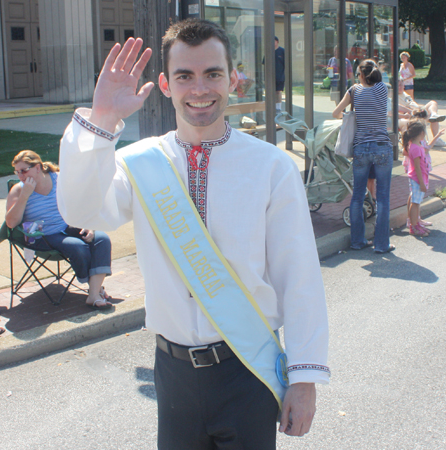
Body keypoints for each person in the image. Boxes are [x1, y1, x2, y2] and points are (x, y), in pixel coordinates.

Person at [57, 19, 329, 449]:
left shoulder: (270, 166)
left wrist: (305, 377)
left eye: (212, 74)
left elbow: (299, 278)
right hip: (173, 374)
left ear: (233, 78)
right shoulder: (138, 162)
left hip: (249, 368)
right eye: (185, 76)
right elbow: (80, 210)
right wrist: (103, 119)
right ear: (165, 84)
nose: (199, 88)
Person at [5, 150, 113, 310]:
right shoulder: (18, 189)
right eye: (17, 172)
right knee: (77, 246)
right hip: (43, 235)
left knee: (101, 238)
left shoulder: (60, 179)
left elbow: (81, 203)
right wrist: (24, 196)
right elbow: (11, 223)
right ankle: (96, 292)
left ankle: (94, 294)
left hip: (68, 226)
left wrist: (88, 225)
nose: (21, 175)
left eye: (24, 170)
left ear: (38, 167)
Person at [333, 59, 394, 253]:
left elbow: (336, 113)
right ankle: (382, 244)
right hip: (383, 146)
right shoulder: (383, 89)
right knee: (383, 197)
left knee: (357, 196)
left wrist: (352, 115)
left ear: (360, 75)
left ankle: (358, 241)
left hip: (361, 148)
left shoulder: (353, 91)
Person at [402, 121, 433, 237]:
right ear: (421, 133)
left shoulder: (417, 145)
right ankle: (413, 226)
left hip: (418, 178)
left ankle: (415, 223)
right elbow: (417, 168)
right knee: (416, 202)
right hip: (417, 178)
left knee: (415, 200)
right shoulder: (415, 148)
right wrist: (422, 183)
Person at [398, 80, 446, 147]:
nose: (400, 87)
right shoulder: (394, 96)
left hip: (418, 111)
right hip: (412, 115)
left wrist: (420, 107)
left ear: (404, 85)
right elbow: (398, 110)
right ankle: (434, 137)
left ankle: (433, 115)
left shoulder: (405, 94)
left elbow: (413, 103)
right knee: (427, 115)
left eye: (401, 85)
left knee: (432, 103)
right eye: (398, 85)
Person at [274, 36, 285, 113]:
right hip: (271, 76)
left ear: (277, 42)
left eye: (274, 41)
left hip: (280, 76)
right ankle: (273, 106)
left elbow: (286, 63)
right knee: (272, 92)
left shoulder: (282, 51)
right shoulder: (269, 51)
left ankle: (278, 107)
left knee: (278, 91)